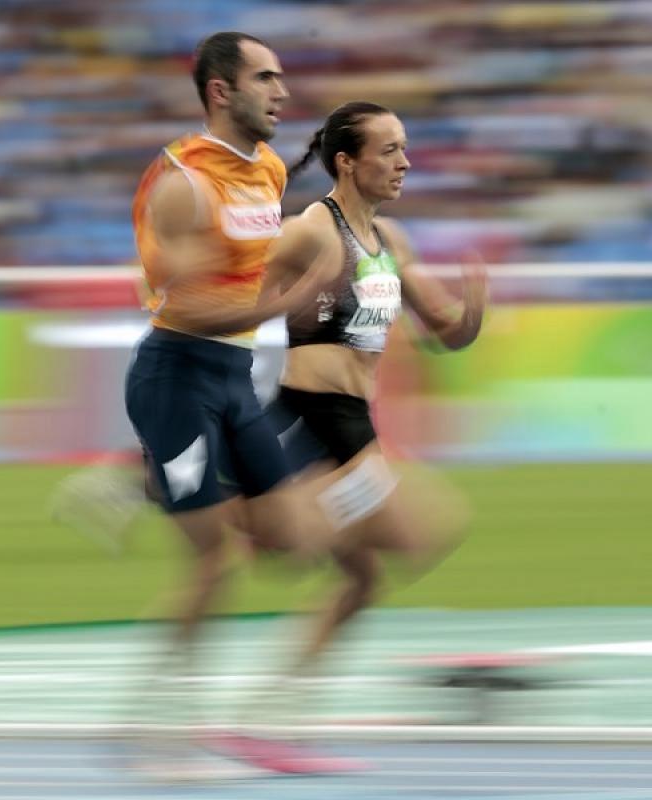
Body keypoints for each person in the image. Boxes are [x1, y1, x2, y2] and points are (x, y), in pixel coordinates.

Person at [249, 100, 488, 698]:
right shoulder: (309, 230)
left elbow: (447, 333)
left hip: (354, 418)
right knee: (414, 534)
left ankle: (276, 701)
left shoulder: (389, 240)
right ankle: (267, 515)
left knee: (363, 580)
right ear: (348, 163)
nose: (405, 162)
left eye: (405, 149)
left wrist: (475, 305)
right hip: (310, 410)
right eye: (390, 151)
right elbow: (237, 289)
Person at [125, 31, 334, 697]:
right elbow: (183, 312)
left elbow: (255, 273)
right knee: (214, 563)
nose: (283, 91)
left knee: (292, 543)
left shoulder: (270, 169)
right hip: (176, 377)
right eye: (266, 78)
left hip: (233, 379)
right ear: (222, 92)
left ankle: (162, 475)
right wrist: (296, 299)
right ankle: (157, 717)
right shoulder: (182, 186)